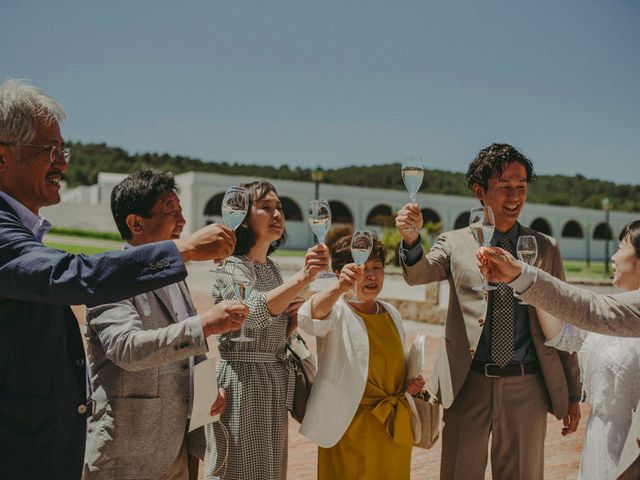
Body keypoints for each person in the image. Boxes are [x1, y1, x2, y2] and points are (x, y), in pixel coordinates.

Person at [0, 79, 236, 480]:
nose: (62, 163)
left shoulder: (27, 231)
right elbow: (73, 276)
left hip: (166, 448)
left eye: (64, 150)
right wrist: (186, 251)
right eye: (49, 150)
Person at [395, 143, 582, 479]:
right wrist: (411, 240)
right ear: (479, 191)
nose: (515, 196)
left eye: (521, 187)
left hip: (528, 387)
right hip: (468, 385)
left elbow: (561, 321)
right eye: (505, 187)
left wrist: (571, 391)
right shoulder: (453, 242)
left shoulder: (546, 248)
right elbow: (419, 274)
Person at [83, 170, 249, 479]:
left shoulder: (176, 276)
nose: (183, 222)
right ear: (136, 223)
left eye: (181, 210)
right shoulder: (111, 277)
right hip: (130, 452)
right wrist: (205, 325)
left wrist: (205, 390)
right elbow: (127, 349)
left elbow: (183, 351)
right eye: (171, 209)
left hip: (180, 449)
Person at [478, 227, 640, 480]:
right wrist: (533, 289)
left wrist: (524, 275)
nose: (613, 257)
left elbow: (590, 307)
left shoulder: (616, 312)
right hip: (598, 441)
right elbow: (563, 335)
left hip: (630, 449)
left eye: (621, 248)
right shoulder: (616, 312)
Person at [205, 180, 329, 480]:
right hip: (241, 383)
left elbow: (270, 333)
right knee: (235, 469)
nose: (277, 214)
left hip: (273, 383)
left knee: (268, 470)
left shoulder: (272, 269)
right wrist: (303, 277)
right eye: (265, 207)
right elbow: (248, 315)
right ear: (244, 217)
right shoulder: (230, 266)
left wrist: (291, 323)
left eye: (280, 208)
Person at [296, 235, 425, 480]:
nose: (372, 275)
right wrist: (339, 288)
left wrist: (409, 385)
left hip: (392, 426)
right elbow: (308, 316)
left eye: (377, 268)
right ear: (341, 273)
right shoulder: (335, 309)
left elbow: (393, 364)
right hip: (348, 425)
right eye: (362, 269)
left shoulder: (391, 313)